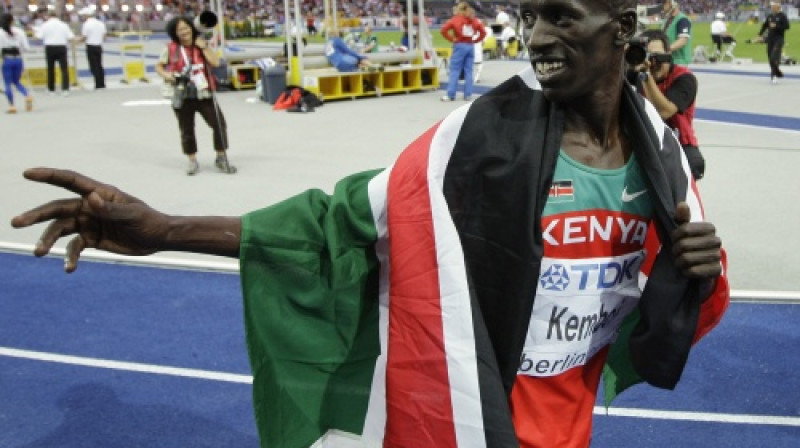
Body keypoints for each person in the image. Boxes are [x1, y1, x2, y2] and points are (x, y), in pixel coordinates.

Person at [10, 0, 729, 446]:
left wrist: (693, 269)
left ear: (624, 28)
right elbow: (337, 224)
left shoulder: (662, 159)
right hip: (459, 419)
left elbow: (657, 309)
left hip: (566, 426)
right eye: (529, 14)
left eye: (562, 15)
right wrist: (164, 230)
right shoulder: (474, 140)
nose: (535, 36)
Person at [155, 17, 236, 176]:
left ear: (192, 28)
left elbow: (216, 62)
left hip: (203, 92)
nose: (184, 32)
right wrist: (167, 75)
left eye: (186, 28)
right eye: (180, 30)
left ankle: (220, 157)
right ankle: (192, 160)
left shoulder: (201, 46)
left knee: (219, 124)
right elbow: (159, 66)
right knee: (187, 129)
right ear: (175, 33)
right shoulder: (171, 48)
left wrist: (204, 47)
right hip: (182, 94)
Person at [628, 29, 705, 180]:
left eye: (657, 56)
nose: (652, 63)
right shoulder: (636, 73)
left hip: (679, 143)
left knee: (691, 169)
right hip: (648, 142)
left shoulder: (685, 79)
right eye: (648, 56)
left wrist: (646, 76)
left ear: (668, 55)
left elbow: (665, 111)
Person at [440, 2, 487, 101]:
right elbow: (483, 32)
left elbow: (443, 30)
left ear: (460, 10)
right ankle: (468, 94)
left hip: (459, 45)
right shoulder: (474, 21)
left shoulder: (455, 20)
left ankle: (451, 94)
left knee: (455, 70)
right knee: (469, 71)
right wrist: (476, 40)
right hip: (470, 46)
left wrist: (452, 39)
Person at [34, 10, 74, 96]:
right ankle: (65, 89)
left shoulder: (45, 25)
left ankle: (51, 88)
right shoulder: (64, 25)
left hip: (50, 47)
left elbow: (38, 37)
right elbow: (70, 37)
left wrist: (35, 32)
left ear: (48, 16)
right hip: (61, 47)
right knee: (64, 69)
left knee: (50, 69)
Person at [0, 12, 33, 113]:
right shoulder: (19, 32)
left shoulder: (1, 33)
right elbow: (26, 47)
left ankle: (12, 105)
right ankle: (27, 95)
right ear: (12, 21)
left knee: (7, 83)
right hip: (18, 59)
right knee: (16, 81)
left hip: (7, 59)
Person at [758, 1, 790, 84]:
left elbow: (787, 26)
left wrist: (776, 26)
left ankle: (774, 75)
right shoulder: (770, 16)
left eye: (773, 7)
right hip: (770, 39)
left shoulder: (782, 16)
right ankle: (776, 73)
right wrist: (760, 34)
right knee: (770, 58)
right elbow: (765, 25)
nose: (772, 8)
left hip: (778, 39)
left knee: (774, 58)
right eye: (771, 7)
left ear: (778, 7)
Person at [78, 8, 107, 90]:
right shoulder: (100, 23)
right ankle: (102, 83)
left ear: (86, 15)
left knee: (93, 66)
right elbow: (104, 36)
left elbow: (84, 37)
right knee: (99, 65)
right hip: (99, 46)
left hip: (91, 46)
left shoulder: (86, 24)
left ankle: (97, 83)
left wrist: (77, 41)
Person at [661, 0, 692, 66]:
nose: (663, 5)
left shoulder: (682, 20)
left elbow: (682, 40)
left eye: (666, 2)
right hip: (668, 60)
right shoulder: (666, 20)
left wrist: (666, 49)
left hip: (679, 61)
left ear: (674, 4)